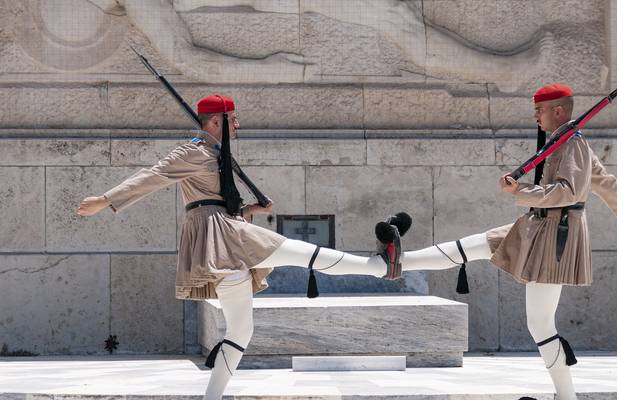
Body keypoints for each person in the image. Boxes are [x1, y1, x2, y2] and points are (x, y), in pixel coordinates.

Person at [76, 94, 407, 400]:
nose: (238, 124)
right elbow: (154, 174)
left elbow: (212, 198)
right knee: (298, 251)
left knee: (241, 330)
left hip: (222, 233)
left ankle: (212, 397)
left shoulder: (214, 153)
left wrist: (249, 210)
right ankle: (379, 266)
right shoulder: (194, 150)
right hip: (221, 234)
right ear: (216, 122)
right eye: (232, 119)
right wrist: (107, 200)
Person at [373, 83, 617, 400]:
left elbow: (570, 192)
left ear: (559, 110)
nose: (536, 115)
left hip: (555, 236)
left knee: (540, 324)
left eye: (541, 109)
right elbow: (604, 181)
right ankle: (400, 259)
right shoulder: (566, 141)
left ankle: (567, 397)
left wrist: (520, 191)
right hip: (536, 226)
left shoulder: (572, 144)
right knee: (474, 245)